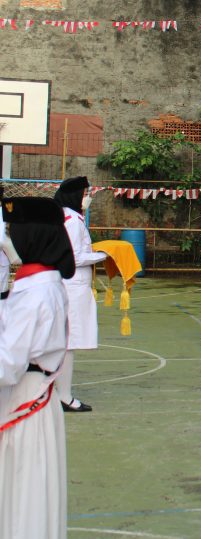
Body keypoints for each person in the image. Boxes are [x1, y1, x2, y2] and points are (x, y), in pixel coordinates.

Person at [0, 197, 76, 539]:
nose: (8, 239)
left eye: (12, 232)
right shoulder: (43, 283)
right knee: (29, 495)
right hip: (34, 397)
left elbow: (7, 364)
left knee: (22, 498)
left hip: (23, 401)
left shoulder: (35, 294)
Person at [54, 176, 107, 412]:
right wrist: (102, 255)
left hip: (66, 283)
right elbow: (74, 257)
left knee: (62, 342)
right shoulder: (73, 221)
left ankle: (56, 393)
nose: (87, 199)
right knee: (68, 343)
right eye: (85, 194)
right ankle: (64, 396)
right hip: (73, 286)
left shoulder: (63, 216)